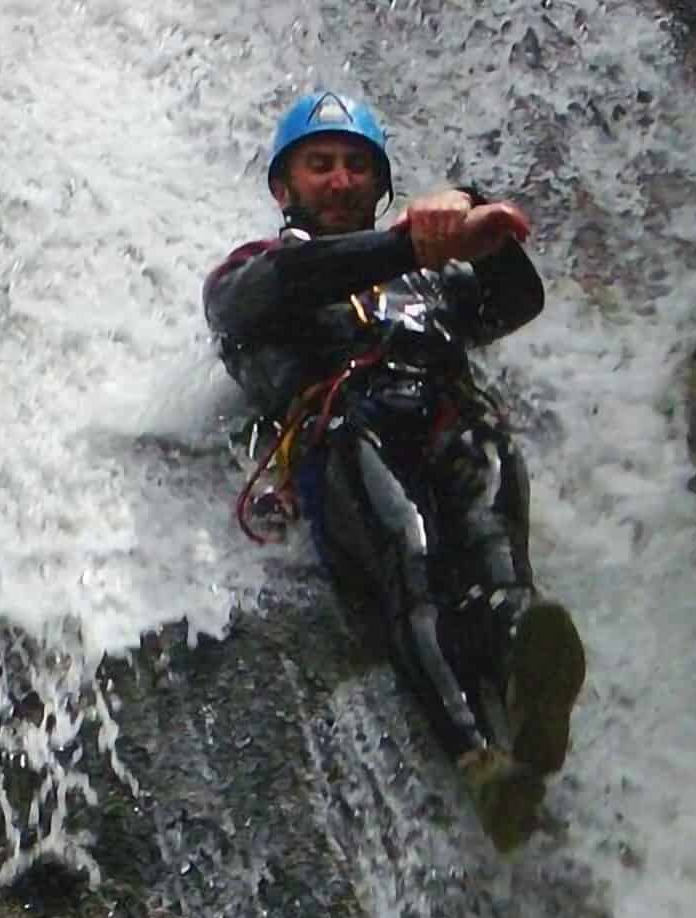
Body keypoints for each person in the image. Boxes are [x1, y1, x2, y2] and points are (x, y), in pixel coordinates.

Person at [202, 91, 585, 848]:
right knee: (410, 558)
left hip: (450, 420)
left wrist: (473, 212)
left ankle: (528, 674)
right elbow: (290, 284)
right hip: (345, 434)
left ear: (380, 185)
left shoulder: (429, 280)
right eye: (320, 165)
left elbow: (516, 298)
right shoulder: (251, 273)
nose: (340, 180)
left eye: (357, 166)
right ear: (283, 187)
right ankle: (478, 762)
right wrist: (418, 241)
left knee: (496, 560)